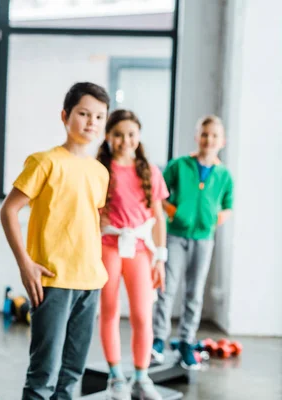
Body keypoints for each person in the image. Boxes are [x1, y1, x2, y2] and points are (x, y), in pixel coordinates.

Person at [0, 82, 110, 400]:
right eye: (84, 114)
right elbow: (9, 211)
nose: (91, 122)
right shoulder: (44, 162)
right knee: (43, 373)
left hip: (91, 281)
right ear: (66, 116)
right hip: (53, 280)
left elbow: (89, 221)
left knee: (72, 373)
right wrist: (25, 264)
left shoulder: (100, 172)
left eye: (99, 117)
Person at [96, 109, 168, 400]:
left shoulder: (149, 170)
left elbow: (159, 218)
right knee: (110, 312)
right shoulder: (101, 169)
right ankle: (116, 377)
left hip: (139, 250)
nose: (125, 140)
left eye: (131, 134)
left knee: (142, 315)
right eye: (118, 134)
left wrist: (159, 257)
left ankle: (141, 376)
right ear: (108, 137)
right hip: (108, 248)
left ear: (138, 137)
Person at [152, 115, 234, 369]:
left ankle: (187, 341)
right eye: (205, 134)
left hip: (204, 238)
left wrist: (216, 219)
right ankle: (158, 340)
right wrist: (174, 212)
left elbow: (229, 204)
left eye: (214, 136)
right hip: (175, 235)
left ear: (222, 141)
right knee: (167, 288)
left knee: (195, 292)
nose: (209, 140)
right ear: (197, 136)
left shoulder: (223, 175)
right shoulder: (179, 165)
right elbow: (159, 193)